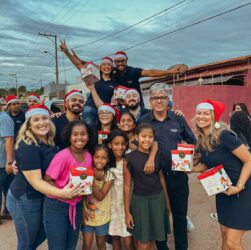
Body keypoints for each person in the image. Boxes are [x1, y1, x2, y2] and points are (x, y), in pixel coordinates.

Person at [6, 104, 82, 250]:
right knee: (27, 242)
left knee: (41, 234)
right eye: (36, 120)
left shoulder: (49, 141)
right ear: (28, 125)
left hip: (42, 197)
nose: (42, 122)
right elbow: (36, 182)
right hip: (25, 199)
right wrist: (62, 193)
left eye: (45, 118)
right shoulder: (28, 146)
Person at [139, 83, 196, 250]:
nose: (158, 101)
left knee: (180, 216)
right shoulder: (144, 121)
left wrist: (189, 157)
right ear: (150, 101)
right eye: (155, 98)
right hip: (154, 178)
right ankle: (162, 246)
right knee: (159, 215)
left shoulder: (178, 119)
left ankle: (181, 247)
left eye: (162, 97)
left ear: (168, 99)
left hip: (178, 176)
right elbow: (138, 145)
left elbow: (192, 141)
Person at [192, 99, 251, 250]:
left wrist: (239, 186)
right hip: (223, 190)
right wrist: (189, 168)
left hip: (242, 191)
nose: (201, 116)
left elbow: (249, 161)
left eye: (206, 113)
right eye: (199, 113)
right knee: (224, 234)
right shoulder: (202, 139)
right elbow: (209, 163)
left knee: (232, 242)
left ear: (213, 116)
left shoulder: (224, 135)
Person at [60, 40, 188, 108]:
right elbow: (83, 67)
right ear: (114, 63)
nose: (120, 63)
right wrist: (68, 53)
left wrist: (169, 72)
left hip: (136, 103)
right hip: (120, 105)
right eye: (117, 61)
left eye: (122, 61)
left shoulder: (133, 71)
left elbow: (151, 72)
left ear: (126, 61)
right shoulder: (112, 71)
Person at [43, 120, 94, 250]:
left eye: (83, 134)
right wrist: (63, 194)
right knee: (57, 246)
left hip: (76, 205)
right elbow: (47, 179)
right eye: (75, 134)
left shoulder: (88, 156)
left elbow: (85, 180)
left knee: (71, 245)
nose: (79, 137)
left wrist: (86, 199)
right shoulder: (63, 156)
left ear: (88, 137)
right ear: (69, 137)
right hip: (56, 205)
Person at [124, 123, 170, 250]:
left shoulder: (157, 156)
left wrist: (167, 202)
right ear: (136, 137)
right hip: (139, 202)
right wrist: (127, 212)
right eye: (143, 136)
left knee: (153, 239)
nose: (147, 139)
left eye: (150, 137)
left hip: (158, 199)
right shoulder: (128, 158)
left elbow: (161, 178)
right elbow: (127, 186)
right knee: (143, 243)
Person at [82, 144, 114, 250]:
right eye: (97, 157)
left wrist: (92, 181)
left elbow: (100, 196)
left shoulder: (109, 175)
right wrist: (91, 173)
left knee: (101, 243)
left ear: (108, 159)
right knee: (87, 244)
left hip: (102, 216)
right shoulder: (85, 171)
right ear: (92, 157)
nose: (100, 161)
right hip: (87, 215)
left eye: (104, 158)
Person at [106, 130, 133, 250]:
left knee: (128, 240)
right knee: (115, 236)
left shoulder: (129, 159)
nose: (120, 147)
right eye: (116, 144)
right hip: (111, 204)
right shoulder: (106, 161)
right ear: (109, 145)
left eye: (123, 144)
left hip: (126, 203)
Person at [83, 56, 115, 125]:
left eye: (109, 65)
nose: (106, 66)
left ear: (112, 68)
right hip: (90, 109)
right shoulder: (95, 78)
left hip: (104, 112)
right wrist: (67, 52)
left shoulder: (114, 82)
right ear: (100, 68)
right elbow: (81, 66)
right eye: (104, 64)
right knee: (90, 132)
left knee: (102, 134)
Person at [0, 101, 14, 224]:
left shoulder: (3, 118)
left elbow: (9, 140)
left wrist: (9, 162)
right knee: (6, 187)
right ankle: (8, 211)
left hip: (2, 162)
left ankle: (7, 212)